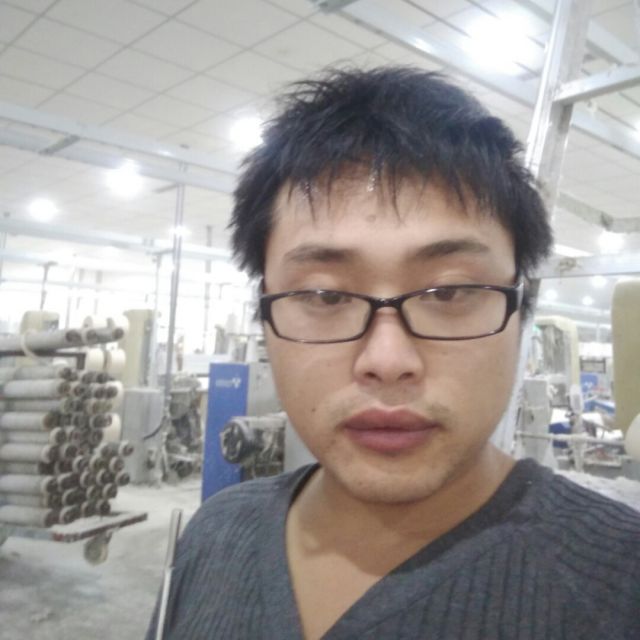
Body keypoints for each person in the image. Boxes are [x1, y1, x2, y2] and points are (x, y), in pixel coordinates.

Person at [147, 67, 640, 639]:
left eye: (450, 292)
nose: (386, 360)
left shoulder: (619, 583)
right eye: (325, 295)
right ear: (265, 312)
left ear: (520, 307)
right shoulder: (214, 535)